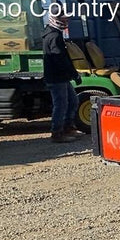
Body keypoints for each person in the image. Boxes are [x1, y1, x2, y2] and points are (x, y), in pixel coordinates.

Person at [41, 11, 82, 143]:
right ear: (55, 19)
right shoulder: (54, 36)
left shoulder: (54, 34)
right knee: (61, 105)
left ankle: (68, 127)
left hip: (61, 77)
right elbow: (60, 59)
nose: (66, 22)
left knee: (73, 101)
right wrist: (74, 74)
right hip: (57, 78)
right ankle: (57, 133)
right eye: (63, 19)